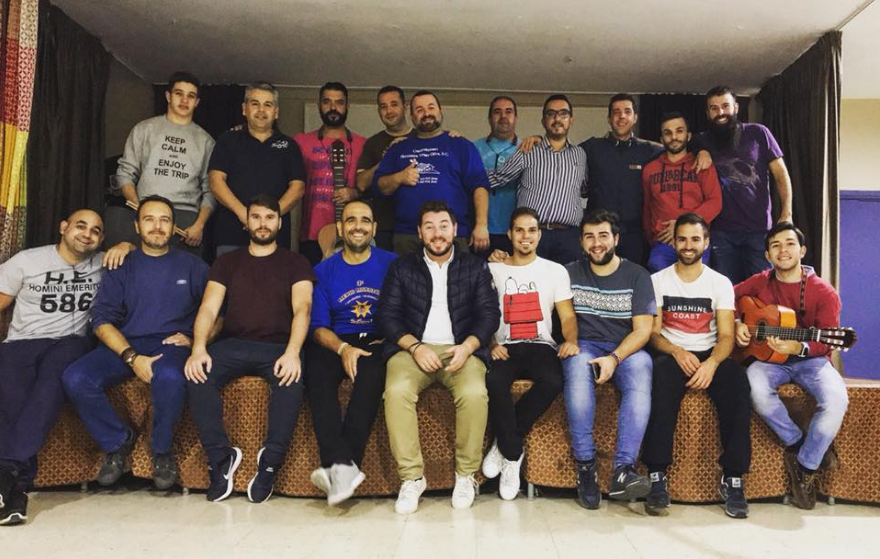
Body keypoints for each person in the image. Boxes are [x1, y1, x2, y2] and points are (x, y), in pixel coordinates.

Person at [62, 196, 208, 492]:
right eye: (149, 219)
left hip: (170, 345)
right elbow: (101, 320)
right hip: (125, 343)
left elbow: (218, 312)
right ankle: (118, 441)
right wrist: (132, 357)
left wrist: (196, 339)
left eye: (165, 220)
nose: (157, 226)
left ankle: (161, 450)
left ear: (174, 227)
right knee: (75, 377)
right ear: (137, 226)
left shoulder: (194, 266)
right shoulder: (121, 265)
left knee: (170, 377)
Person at [185, 194, 315, 503]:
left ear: (279, 223)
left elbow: (303, 309)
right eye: (255, 217)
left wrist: (293, 352)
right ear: (246, 223)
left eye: (269, 217)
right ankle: (221, 459)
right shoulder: (227, 262)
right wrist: (198, 348)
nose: (262, 223)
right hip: (233, 344)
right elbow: (208, 308)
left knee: (291, 380)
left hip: (278, 346)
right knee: (196, 374)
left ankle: (269, 463)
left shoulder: (296, 262)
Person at [379, 201, 499, 514]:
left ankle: (466, 475)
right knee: (396, 392)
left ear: (455, 229)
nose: (437, 233)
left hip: (460, 350)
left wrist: (468, 347)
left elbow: (489, 314)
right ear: (419, 232)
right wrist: (415, 347)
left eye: (444, 226)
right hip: (412, 350)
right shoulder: (402, 267)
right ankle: (412, 478)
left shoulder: (474, 266)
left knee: (474, 394)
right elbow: (387, 316)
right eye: (429, 227)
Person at [640, 213, 752, 519]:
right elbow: (653, 333)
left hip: (710, 353)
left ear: (706, 242)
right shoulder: (657, 281)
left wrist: (712, 363)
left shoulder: (720, 283)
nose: (688, 245)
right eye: (682, 239)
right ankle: (657, 476)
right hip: (672, 352)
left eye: (695, 239)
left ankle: (734, 478)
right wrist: (676, 351)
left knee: (739, 386)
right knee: (660, 382)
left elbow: (727, 335)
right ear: (674, 243)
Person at [0, 210, 106, 526]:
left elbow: (135, 256)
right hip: (21, 343)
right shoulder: (27, 261)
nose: (87, 234)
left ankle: (6, 469)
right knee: (12, 399)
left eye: (96, 231)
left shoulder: (104, 263)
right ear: (63, 227)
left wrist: (126, 246)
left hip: (69, 342)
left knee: (51, 384)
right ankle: (16, 491)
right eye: (80, 226)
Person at [734, 222, 848, 510]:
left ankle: (806, 467)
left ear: (802, 250)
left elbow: (828, 341)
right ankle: (798, 442)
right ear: (767, 255)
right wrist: (736, 323)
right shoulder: (759, 282)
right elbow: (728, 297)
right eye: (775, 246)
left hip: (811, 361)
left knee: (837, 400)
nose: (783, 250)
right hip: (769, 360)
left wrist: (798, 347)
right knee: (755, 389)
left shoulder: (824, 292)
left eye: (789, 244)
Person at [562, 209, 656, 510]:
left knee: (643, 366)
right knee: (576, 364)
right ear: (581, 242)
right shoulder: (569, 273)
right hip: (585, 346)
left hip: (625, 349)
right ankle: (585, 466)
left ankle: (623, 471)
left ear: (616, 239)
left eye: (603, 235)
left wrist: (614, 358)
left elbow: (643, 331)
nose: (596, 243)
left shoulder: (637, 275)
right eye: (589, 237)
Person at [481, 207, 577, 500]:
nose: (526, 236)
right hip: (504, 346)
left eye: (532, 230)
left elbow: (567, 316)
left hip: (540, 344)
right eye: (519, 230)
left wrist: (571, 340)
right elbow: (482, 313)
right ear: (509, 234)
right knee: (494, 381)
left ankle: (505, 446)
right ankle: (514, 454)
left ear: (539, 234)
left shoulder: (555, 270)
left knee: (554, 380)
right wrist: (491, 344)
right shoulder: (492, 269)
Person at [305, 200, 397, 505]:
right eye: (351, 220)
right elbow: (318, 327)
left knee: (370, 376)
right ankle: (342, 466)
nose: (358, 226)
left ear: (374, 228)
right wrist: (343, 348)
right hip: (336, 340)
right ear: (340, 228)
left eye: (365, 221)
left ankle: (337, 466)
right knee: (317, 374)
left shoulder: (393, 264)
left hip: (378, 339)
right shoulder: (323, 270)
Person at [694, 85, 793, 284]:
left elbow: (781, 175)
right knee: (725, 291)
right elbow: (681, 146)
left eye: (725, 106)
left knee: (763, 290)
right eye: (714, 108)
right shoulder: (702, 141)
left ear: (736, 108)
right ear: (707, 113)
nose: (720, 112)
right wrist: (701, 150)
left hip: (758, 230)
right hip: (721, 233)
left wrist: (786, 213)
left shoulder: (758, 133)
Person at [373, 90, 490, 255]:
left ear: (440, 111)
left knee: (458, 273)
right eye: (419, 110)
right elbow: (379, 187)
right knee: (405, 273)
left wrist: (481, 225)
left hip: (453, 234)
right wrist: (399, 177)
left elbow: (480, 186)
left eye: (431, 107)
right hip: (408, 236)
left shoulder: (461, 145)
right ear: (412, 116)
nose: (426, 113)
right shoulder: (398, 148)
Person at [114, 71, 215, 255]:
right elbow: (125, 173)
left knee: (185, 271)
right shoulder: (144, 129)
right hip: (147, 209)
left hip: (185, 218)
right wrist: (139, 207)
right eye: (179, 93)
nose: (184, 100)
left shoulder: (206, 141)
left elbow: (211, 188)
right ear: (168, 96)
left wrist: (199, 225)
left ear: (197, 102)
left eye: (191, 96)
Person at [488, 94, 587, 266]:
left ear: (571, 120)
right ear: (543, 121)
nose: (557, 119)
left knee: (568, 282)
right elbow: (498, 177)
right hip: (532, 235)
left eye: (563, 113)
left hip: (569, 237)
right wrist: (460, 171)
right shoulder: (528, 150)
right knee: (528, 282)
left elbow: (585, 189)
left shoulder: (580, 154)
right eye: (551, 114)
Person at [208, 82, 306, 254]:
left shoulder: (289, 146)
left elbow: (298, 188)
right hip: (231, 236)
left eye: (268, 105)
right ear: (244, 109)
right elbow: (216, 181)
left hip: (275, 239)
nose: (261, 110)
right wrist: (245, 215)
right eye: (255, 104)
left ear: (276, 112)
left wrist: (269, 218)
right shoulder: (227, 140)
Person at [294, 82, 367, 265]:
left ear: (347, 106)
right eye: (327, 102)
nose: (333, 107)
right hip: (311, 232)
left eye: (339, 102)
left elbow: (374, 186)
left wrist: (355, 193)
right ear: (319, 105)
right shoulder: (301, 141)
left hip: (353, 231)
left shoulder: (363, 144)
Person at [642, 112, 722, 272]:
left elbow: (715, 202)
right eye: (668, 133)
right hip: (664, 242)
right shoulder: (650, 169)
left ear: (688, 135)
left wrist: (682, 225)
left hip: (695, 239)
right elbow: (648, 207)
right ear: (661, 139)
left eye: (679, 131)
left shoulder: (702, 164)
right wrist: (653, 238)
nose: (674, 137)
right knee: (657, 270)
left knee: (695, 280)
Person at [473, 96, 520, 255]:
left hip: (515, 232)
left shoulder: (526, 148)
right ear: (489, 118)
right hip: (480, 231)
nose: (503, 116)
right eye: (497, 112)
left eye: (509, 112)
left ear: (516, 118)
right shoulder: (473, 148)